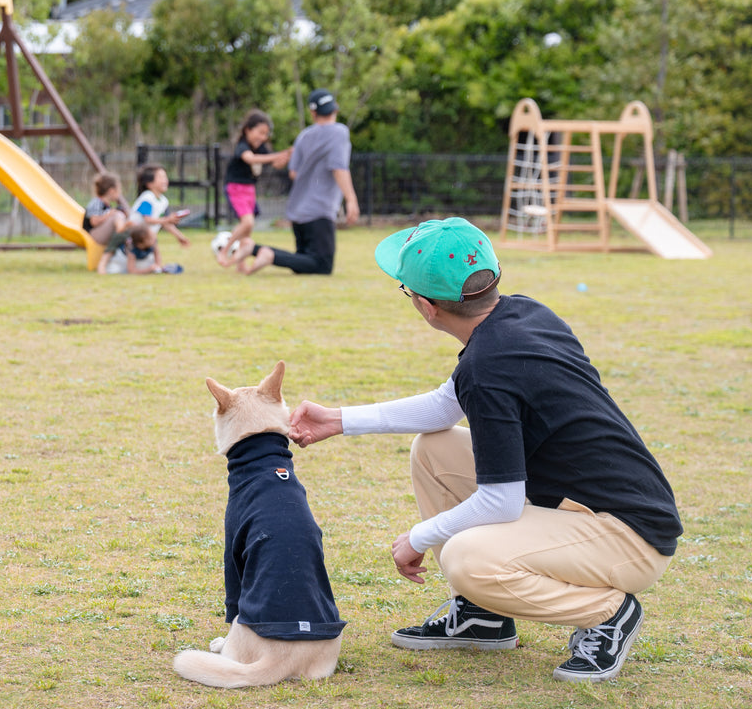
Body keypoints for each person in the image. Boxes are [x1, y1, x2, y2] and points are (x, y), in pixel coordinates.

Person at [288, 218, 681, 683]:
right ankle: (483, 615)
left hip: (627, 538)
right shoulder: (525, 313)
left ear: (426, 307)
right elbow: (442, 409)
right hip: (603, 508)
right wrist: (338, 419)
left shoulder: (488, 367)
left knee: (465, 558)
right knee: (434, 450)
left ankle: (607, 613)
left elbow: (502, 499)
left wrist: (420, 536)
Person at [232, 90, 358, 276]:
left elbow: (293, 173)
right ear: (335, 111)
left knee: (304, 262)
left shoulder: (304, 136)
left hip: (298, 211)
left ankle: (255, 249)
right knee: (322, 265)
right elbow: (338, 167)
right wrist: (351, 199)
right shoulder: (339, 132)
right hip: (319, 210)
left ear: (313, 113)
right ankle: (265, 253)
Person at [215, 110, 291, 267]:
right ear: (248, 130)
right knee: (247, 223)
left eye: (266, 134)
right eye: (260, 133)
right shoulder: (242, 145)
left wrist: (287, 155)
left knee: (247, 233)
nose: (263, 137)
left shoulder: (261, 147)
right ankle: (225, 250)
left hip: (250, 189)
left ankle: (240, 265)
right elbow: (250, 158)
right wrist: (277, 155)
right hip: (236, 188)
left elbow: (275, 164)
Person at [132, 165, 192, 252]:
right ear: (149, 183)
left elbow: (165, 223)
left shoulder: (163, 201)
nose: (165, 180)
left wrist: (180, 237)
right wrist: (167, 219)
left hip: (148, 239)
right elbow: (147, 220)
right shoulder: (147, 198)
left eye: (165, 177)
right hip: (134, 238)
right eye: (160, 177)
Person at [102, 225, 183, 275]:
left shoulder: (153, 242)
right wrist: (148, 270)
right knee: (115, 270)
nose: (154, 238)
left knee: (149, 265)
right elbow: (131, 270)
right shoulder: (131, 248)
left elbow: (157, 254)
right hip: (122, 259)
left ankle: (166, 268)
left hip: (142, 257)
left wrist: (157, 266)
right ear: (140, 244)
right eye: (150, 238)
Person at [83, 171, 132, 252]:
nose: (120, 192)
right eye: (119, 189)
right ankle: (122, 230)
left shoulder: (106, 205)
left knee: (118, 214)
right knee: (117, 215)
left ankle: (124, 233)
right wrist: (109, 215)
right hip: (94, 235)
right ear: (111, 191)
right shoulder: (96, 202)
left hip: (101, 233)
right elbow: (94, 221)